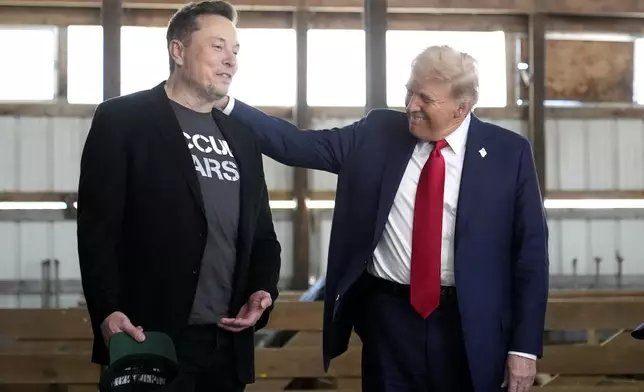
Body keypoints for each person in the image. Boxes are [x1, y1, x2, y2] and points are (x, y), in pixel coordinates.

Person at [215, 45, 549, 392]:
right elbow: (295, 144)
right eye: (409, 91)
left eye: (425, 99)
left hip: (470, 325)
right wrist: (225, 103)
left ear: (461, 108)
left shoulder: (510, 154)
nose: (411, 105)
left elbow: (531, 258)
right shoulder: (378, 132)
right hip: (389, 321)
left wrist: (524, 348)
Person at [77, 2, 281, 391]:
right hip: (148, 337)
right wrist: (107, 311)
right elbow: (97, 229)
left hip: (227, 342)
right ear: (178, 50)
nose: (231, 61)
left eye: (236, 51)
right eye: (218, 46)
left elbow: (262, 236)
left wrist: (262, 289)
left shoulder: (241, 136)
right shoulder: (122, 120)